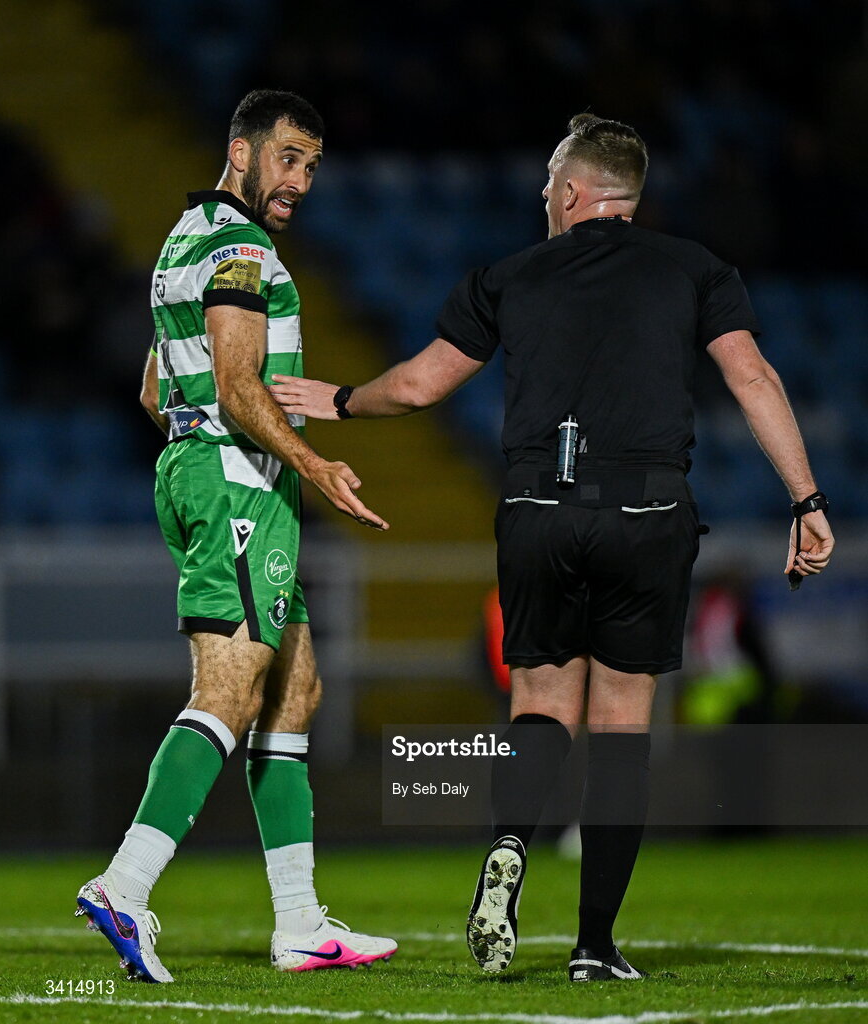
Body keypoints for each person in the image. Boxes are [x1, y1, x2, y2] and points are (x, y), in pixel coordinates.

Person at [268, 113, 834, 982]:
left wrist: (340, 400)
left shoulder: (506, 275)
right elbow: (751, 376)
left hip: (537, 506)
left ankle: (505, 846)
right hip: (646, 510)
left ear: (573, 193)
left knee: (537, 709)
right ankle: (593, 946)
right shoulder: (693, 268)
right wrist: (804, 497)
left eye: (547, 181)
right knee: (618, 728)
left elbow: (420, 386)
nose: (539, 193)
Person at [75, 89, 397, 983]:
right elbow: (235, 381)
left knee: (295, 686)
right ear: (241, 151)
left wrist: (198, 459)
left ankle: (299, 921)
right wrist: (313, 464)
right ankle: (125, 885)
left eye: (311, 165)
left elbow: (157, 389)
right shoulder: (241, 247)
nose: (299, 180)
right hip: (237, 483)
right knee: (230, 686)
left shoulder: (182, 241)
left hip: (202, 474)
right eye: (287, 157)